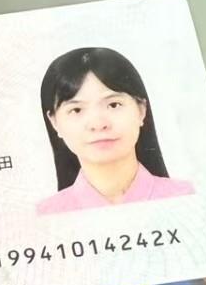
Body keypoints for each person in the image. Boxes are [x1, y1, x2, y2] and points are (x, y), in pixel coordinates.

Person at [36, 45, 194, 216]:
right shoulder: (45, 216)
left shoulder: (188, 198)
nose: (98, 124)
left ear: (141, 110)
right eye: (76, 110)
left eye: (113, 105)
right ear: (54, 122)